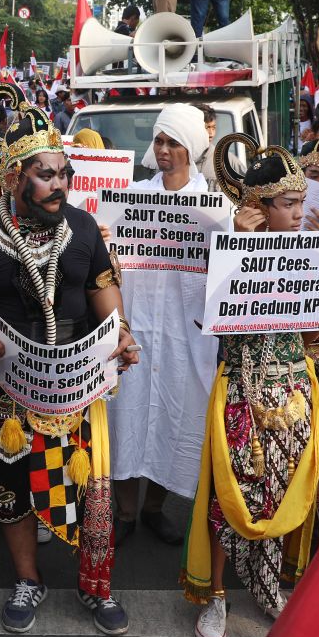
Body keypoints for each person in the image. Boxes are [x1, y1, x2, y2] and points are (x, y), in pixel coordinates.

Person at [0, 83, 139, 636]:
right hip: (7, 384)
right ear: (13, 179)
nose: (60, 184)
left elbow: (102, 286)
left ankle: (95, 586)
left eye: (64, 174)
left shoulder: (82, 230)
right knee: (11, 487)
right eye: (47, 175)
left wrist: (119, 333)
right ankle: (28, 579)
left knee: (85, 485)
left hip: (78, 378)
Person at [183, 141, 319, 637]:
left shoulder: (318, 248)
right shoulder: (226, 248)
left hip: (296, 389)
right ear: (257, 206)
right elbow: (210, 324)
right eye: (287, 204)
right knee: (226, 496)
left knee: (281, 490)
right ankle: (215, 596)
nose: (300, 213)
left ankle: (266, 582)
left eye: (302, 202)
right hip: (240, 388)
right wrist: (233, 251)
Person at [108, 104, 216, 549]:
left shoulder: (215, 207)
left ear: (191, 147)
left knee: (175, 418)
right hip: (135, 330)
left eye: (174, 142)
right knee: (126, 417)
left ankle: (154, 509)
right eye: (160, 141)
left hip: (184, 336)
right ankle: (126, 511)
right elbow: (109, 264)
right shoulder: (133, 198)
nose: (165, 149)